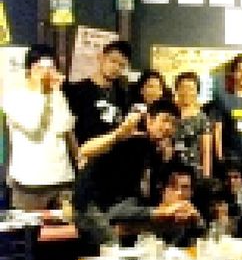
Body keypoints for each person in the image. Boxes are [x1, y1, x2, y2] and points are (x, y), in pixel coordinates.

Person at [73, 99, 180, 250]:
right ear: (149, 119)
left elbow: (148, 190)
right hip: (89, 204)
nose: (168, 127)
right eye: (164, 120)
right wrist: (119, 134)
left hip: (117, 203)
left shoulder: (155, 149)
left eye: (173, 124)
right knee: (112, 245)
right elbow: (84, 151)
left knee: (170, 226)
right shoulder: (131, 135)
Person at [3, 45, 75, 210]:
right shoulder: (13, 96)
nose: (46, 72)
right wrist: (42, 93)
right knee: (30, 226)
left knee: (65, 225)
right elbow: (32, 125)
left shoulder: (56, 94)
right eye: (40, 67)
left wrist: (56, 93)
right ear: (29, 69)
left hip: (62, 178)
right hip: (29, 181)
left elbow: (64, 126)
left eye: (51, 67)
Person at [107, 162, 202, 246]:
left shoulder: (190, 212)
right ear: (162, 189)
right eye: (173, 187)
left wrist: (197, 221)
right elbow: (112, 214)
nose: (179, 193)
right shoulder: (141, 202)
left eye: (185, 188)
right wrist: (160, 213)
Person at [63, 40, 131, 145]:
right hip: (86, 150)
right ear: (100, 57)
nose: (116, 68)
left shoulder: (122, 96)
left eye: (121, 65)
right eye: (113, 61)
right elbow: (69, 130)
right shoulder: (77, 91)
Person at [172, 72, 212, 178]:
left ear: (197, 92)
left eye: (190, 89)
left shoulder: (202, 118)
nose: (186, 92)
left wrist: (206, 177)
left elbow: (206, 151)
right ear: (176, 90)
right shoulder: (169, 113)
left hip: (194, 171)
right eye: (183, 88)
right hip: (171, 170)